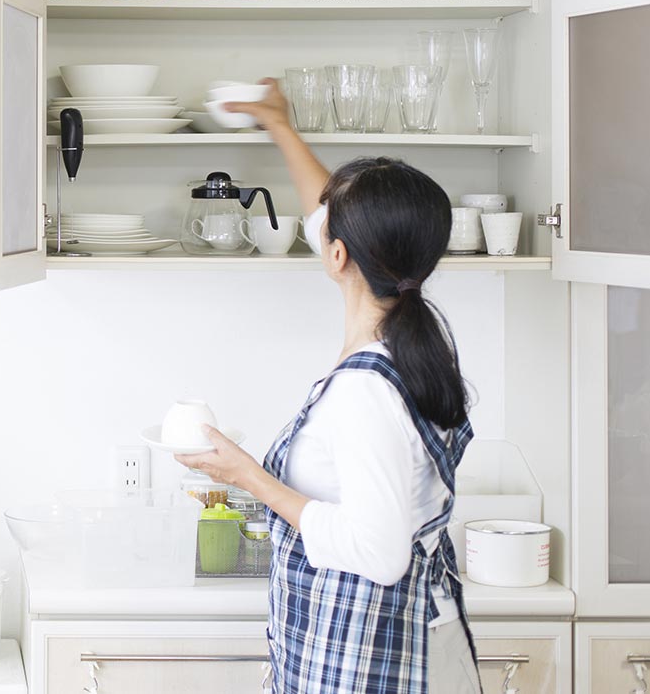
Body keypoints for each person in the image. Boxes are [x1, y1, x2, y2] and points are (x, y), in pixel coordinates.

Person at [180, 79, 481, 694]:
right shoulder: (420, 344)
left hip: (373, 661)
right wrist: (279, 125)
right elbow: (329, 215)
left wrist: (250, 479)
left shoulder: (364, 391)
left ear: (339, 255)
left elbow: (379, 553)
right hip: (419, 642)